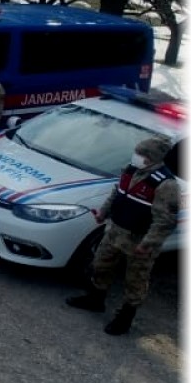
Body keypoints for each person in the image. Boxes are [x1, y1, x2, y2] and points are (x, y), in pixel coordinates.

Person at [66, 136, 180, 335]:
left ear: (150, 158)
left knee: (135, 280)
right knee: (101, 265)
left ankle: (125, 318)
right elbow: (117, 193)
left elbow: (165, 221)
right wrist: (103, 212)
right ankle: (95, 299)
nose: (136, 156)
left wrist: (148, 244)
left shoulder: (166, 185)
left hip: (139, 240)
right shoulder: (130, 169)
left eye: (141, 154)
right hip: (115, 230)